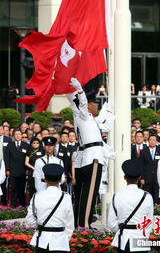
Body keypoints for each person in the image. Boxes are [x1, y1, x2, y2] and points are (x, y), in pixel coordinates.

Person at [67, 77, 113, 228]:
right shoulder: (83, 115)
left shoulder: (87, 118)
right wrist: (80, 91)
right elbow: (82, 104)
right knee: (89, 194)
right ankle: (84, 224)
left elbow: (103, 127)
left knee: (82, 193)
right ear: (90, 104)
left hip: (85, 157)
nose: (96, 106)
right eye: (95, 104)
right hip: (92, 158)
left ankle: (79, 223)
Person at [25, 163, 74, 253]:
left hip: (41, 241)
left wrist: (40, 224)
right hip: (60, 241)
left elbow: (29, 221)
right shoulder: (66, 197)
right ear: (60, 179)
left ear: (45, 179)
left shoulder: (37, 196)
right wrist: (65, 238)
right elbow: (70, 223)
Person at [108, 158, 153, 253]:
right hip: (141, 239)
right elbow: (149, 222)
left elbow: (111, 223)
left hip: (123, 240)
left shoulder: (116, 196)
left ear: (124, 177)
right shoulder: (147, 196)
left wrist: (122, 230)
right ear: (139, 178)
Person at [4, 128, 30, 207]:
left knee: (21, 188)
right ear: (13, 135)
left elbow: (28, 158)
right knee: (13, 188)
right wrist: (7, 169)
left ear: (22, 135)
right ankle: (14, 204)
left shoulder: (26, 145)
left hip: (23, 170)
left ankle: (22, 203)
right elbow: (7, 158)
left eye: (19, 134)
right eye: (16, 134)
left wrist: (27, 170)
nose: (18, 136)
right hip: (12, 170)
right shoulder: (10, 145)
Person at [140, 134, 160, 204]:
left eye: (154, 140)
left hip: (157, 177)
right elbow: (141, 165)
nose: (152, 141)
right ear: (148, 141)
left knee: (156, 195)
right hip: (147, 177)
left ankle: (156, 208)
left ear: (156, 141)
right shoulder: (143, 151)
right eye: (150, 140)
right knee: (147, 196)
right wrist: (142, 178)